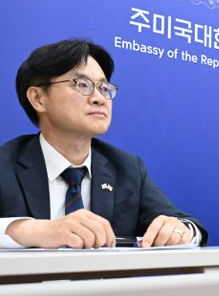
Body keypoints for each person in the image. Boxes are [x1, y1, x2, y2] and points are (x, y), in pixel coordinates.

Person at [0, 38, 207, 248]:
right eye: (82, 85)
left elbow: (187, 224)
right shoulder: (5, 164)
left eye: (104, 87)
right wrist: (32, 230)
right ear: (38, 98)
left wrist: (180, 230)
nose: (99, 98)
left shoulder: (127, 169)